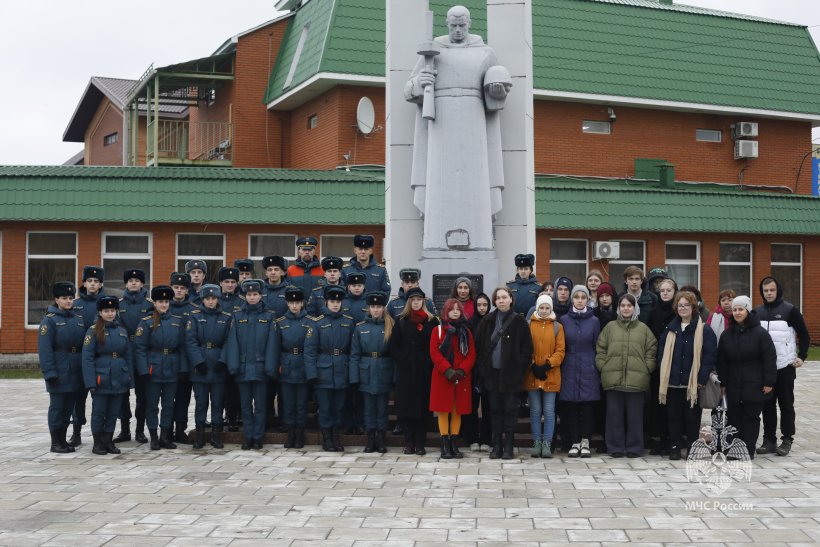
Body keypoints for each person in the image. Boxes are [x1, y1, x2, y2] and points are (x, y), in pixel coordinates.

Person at [405, 5, 509, 251]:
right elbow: (408, 89)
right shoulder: (433, 50)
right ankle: (438, 237)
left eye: (462, 25)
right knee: (438, 177)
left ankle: (478, 236)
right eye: (454, 26)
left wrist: (497, 90)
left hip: (474, 120)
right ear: (447, 24)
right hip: (440, 121)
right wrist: (420, 82)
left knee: (476, 178)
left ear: (469, 23)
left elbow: (498, 90)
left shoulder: (485, 52)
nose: (458, 30)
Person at [657, 290, 717, 460]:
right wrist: (664, 371)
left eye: (686, 305)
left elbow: (709, 357)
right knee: (673, 417)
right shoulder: (670, 329)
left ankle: (692, 447)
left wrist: (701, 379)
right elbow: (661, 353)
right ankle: (675, 447)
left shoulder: (704, 330)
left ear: (693, 307)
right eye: (680, 305)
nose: (683, 308)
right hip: (672, 383)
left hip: (693, 384)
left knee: (692, 418)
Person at [755, 276, 811, 457]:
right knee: (767, 405)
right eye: (766, 291)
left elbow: (804, 334)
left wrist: (802, 356)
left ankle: (787, 439)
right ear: (762, 292)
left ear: (778, 290)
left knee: (786, 404)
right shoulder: (757, 312)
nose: (769, 293)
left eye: (772, 290)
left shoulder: (790, 310)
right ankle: (769, 440)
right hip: (765, 368)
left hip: (785, 366)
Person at [596, 293, 657, 458]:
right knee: (614, 417)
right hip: (613, 380)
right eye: (622, 305)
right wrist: (604, 366)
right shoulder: (610, 327)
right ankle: (615, 447)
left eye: (629, 305)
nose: (626, 308)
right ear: (618, 308)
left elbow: (651, 350)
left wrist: (646, 368)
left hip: (636, 382)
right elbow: (601, 349)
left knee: (635, 417)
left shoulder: (643, 329)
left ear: (634, 308)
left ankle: (634, 448)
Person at [475, 287, 534, 459]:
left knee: (510, 411)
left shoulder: (519, 321)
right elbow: (479, 347)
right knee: (494, 410)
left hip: (511, 376)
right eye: (498, 298)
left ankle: (508, 445)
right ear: (494, 301)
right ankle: (497, 445)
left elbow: (527, 350)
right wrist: (483, 369)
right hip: (492, 375)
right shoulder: (487, 321)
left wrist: (518, 368)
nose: (501, 300)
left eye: (504, 297)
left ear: (510, 299)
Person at [716, 296, 777, 459]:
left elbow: (769, 359)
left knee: (751, 418)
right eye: (735, 309)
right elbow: (721, 360)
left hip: (755, 383)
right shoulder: (727, 335)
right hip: (733, 383)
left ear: (748, 311)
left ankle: (748, 449)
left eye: (741, 309)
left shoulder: (761, 334)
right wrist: (723, 382)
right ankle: (733, 449)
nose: (737, 312)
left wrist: (769, 381)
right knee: (733, 418)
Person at [224, 279, 278, 450]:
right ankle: (248, 436)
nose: (252, 297)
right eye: (249, 294)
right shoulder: (237, 316)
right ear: (245, 296)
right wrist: (233, 366)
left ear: (261, 295)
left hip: (261, 369)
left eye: (255, 294)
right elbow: (233, 342)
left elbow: (272, 344)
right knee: (245, 406)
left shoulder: (269, 316)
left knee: (260, 406)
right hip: (242, 368)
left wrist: (270, 367)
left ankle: (258, 437)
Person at [134, 286, 188, 451]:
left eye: (166, 302)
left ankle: (165, 436)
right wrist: (143, 370)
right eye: (160, 302)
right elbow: (139, 348)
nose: (163, 305)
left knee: (168, 405)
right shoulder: (146, 322)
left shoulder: (177, 321)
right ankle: (154, 437)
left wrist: (182, 368)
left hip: (172, 367)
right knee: (152, 405)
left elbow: (183, 347)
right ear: (155, 303)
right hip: (153, 369)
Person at [388, 287, 439, 455]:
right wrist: (403, 358)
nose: (416, 302)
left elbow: (437, 344)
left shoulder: (432, 321)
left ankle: (420, 442)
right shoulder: (401, 320)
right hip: (407, 370)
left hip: (425, 370)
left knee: (422, 408)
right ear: (409, 302)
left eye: (419, 299)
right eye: (413, 300)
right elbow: (393, 345)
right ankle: (409, 442)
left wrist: (429, 361)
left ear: (423, 301)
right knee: (407, 407)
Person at [304, 285, 355, 452]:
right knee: (325, 407)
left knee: (339, 407)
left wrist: (352, 373)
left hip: (342, 370)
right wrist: (312, 373)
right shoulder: (317, 323)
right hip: (323, 371)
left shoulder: (348, 322)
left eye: (338, 301)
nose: (335, 304)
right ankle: (326, 438)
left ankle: (336, 437)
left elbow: (353, 350)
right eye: (332, 301)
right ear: (326, 302)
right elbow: (310, 351)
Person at [37, 282, 86, 453]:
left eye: (71, 298)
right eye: (64, 298)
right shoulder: (49, 321)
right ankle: (55, 442)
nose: (68, 301)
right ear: (56, 300)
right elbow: (45, 350)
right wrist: (49, 372)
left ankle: (63, 440)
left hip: (75, 370)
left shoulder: (78, 320)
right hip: (59, 370)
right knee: (57, 407)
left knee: (69, 408)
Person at [82, 296, 133, 455]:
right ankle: (98, 443)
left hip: (119, 378)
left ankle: (108, 441)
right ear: (100, 312)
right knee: (99, 412)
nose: (110, 313)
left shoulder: (122, 331)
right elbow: (87, 358)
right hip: (101, 379)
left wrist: (129, 379)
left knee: (113, 412)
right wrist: (91, 382)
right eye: (106, 311)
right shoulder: (93, 331)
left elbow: (128, 356)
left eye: (112, 310)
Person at [185, 284, 232, 449]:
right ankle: (200, 436)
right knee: (201, 403)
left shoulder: (226, 317)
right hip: (201, 368)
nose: (210, 301)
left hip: (218, 366)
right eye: (207, 298)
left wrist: (223, 360)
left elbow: (229, 341)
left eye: (213, 298)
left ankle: (216, 435)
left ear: (218, 299)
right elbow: (190, 341)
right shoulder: (194, 317)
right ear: (202, 300)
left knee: (218, 402)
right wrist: (198, 362)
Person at [429, 298, 475, 459]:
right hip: (443, 376)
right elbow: (434, 353)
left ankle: (454, 443)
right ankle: (444, 443)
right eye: (451, 309)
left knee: (457, 410)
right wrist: (448, 370)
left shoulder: (466, 332)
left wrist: (461, 371)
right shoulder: (438, 330)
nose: (455, 312)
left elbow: (471, 354)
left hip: (461, 377)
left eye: (458, 309)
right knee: (443, 410)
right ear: (446, 312)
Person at [350, 291, 395, 454]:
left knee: (382, 408)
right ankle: (370, 439)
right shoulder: (360, 327)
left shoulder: (391, 326)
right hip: (366, 371)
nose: (376, 309)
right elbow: (354, 354)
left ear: (383, 308)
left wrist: (394, 376)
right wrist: (354, 377)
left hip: (383, 369)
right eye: (373, 306)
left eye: (379, 306)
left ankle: (381, 439)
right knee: (368, 408)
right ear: (368, 308)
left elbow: (395, 354)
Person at [558, 285, 601, 457]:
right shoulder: (564, 320)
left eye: (583, 297)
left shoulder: (594, 321)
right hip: (569, 366)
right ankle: (574, 442)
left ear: (588, 300)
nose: (580, 300)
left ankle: (586, 441)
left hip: (589, 365)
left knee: (588, 407)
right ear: (572, 299)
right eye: (577, 297)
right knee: (571, 407)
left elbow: (597, 345)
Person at [114, 268, 152, 444]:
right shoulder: (118, 305)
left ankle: (140, 430)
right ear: (126, 284)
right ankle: (124, 430)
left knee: (143, 395)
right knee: (122, 395)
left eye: (137, 280)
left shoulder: (150, 305)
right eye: (130, 280)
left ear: (142, 283)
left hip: (143, 355)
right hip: (124, 354)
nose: (134, 283)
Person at [69, 265, 106, 447]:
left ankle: (101, 434)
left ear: (101, 284)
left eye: (96, 281)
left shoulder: (107, 304)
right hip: (78, 358)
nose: (92, 284)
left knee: (100, 399)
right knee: (78, 398)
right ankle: (76, 432)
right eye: (89, 281)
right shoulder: (74, 304)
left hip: (99, 358)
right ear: (83, 283)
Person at [274, 286, 313, 449]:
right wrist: (278, 366)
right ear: (287, 303)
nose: (294, 306)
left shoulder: (310, 322)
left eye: (297, 302)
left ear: (302, 303)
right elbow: (276, 347)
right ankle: (290, 433)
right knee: (288, 403)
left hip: (303, 365)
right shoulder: (280, 322)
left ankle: (299, 433)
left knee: (301, 403)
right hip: (287, 365)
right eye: (291, 302)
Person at [526, 295, 565, 458]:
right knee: (535, 410)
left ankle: (547, 444)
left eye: (547, 308)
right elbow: (524, 348)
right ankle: (537, 443)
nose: (544, 311)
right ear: (537, 308)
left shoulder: (557, 327)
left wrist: (548, 365)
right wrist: (533, 365)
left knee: (549, 411)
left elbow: (560, 351)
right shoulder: (529, 324)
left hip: (551, 374)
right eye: (541, 308)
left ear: (551, 309)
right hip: (532, 374)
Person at [647, 277, 678, 455]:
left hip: (675, 364)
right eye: (662, 291)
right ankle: (661, 439)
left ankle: (673, 441)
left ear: (675, 292)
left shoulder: (678, 312)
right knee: (658, 404)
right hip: (658, 365)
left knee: (672, 405)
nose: (665, 293)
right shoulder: (654, 312)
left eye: (668, 290)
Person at [169, 272, 199, 444]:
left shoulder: (194, 309)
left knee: (183, 398)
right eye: (176, 287)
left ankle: (180, 430)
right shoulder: (164, 306)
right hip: (167, 361)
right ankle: (166, 430)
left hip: (187, 362)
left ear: (187, 290)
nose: (179, 291)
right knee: (167, 399)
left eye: (182, 288)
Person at [464, 292, 492, 451]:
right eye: (479, 305)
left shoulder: (493, 322)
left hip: (489, 371)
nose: (482, 308)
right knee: (472, 407)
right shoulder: (470, 324)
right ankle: (472, 438)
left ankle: (486, 439)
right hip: (473, 371)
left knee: (488, 407)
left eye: (485, 305)